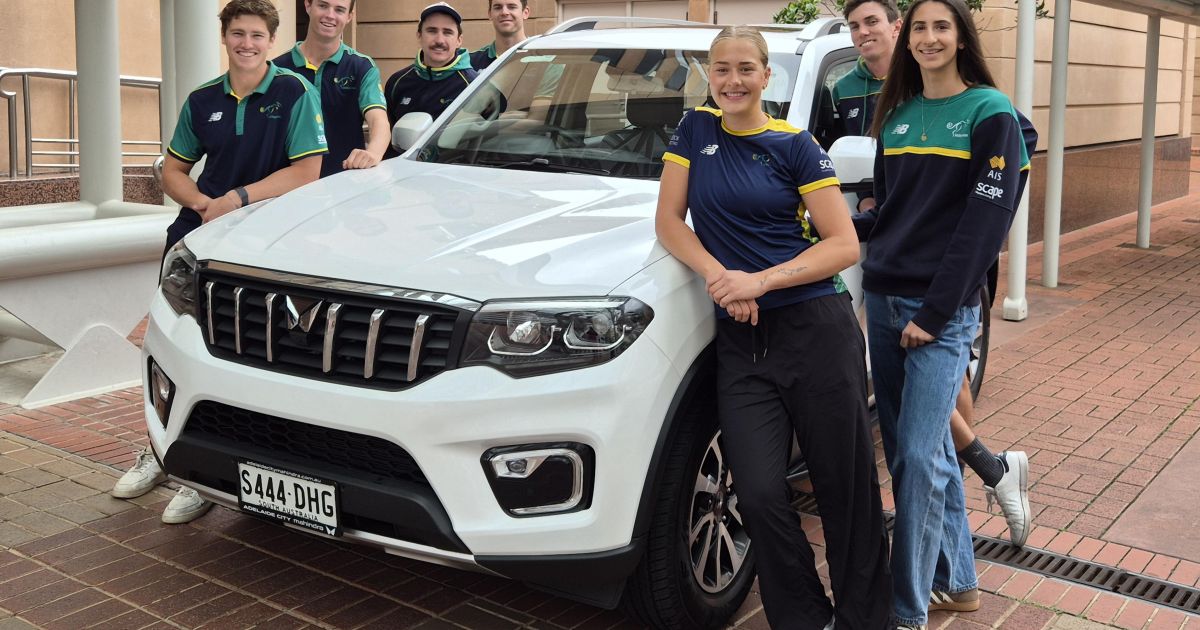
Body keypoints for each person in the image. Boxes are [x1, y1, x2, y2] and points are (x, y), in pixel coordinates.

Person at [657, 25, 891, 630]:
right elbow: (670, 223)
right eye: (722, 69)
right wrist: (723, 279)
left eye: (745, 69)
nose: (733, 80)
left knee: (844, 490)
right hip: (744, 343)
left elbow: (843, 246)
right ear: (710, 75)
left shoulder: (795, 145)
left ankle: (866, 619)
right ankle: (804, 617)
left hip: (816, 329)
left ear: (766, 76)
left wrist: (758, 282)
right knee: (758, 492)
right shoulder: (694, 130)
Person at [113, 0, 326, 525]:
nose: (246, 43)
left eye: (256, 35)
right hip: (198, 237)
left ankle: (209, 476)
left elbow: (307, 172)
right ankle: (160, 450)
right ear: (225, 37)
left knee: (240, 359)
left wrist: (237, 199)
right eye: (237, 33)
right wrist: (204, 205)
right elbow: (172, 170)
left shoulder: (295, 92)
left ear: (271, 41)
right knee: (169, 348)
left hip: (266, 242)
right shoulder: (203, 98)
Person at [853, 0, 1031, 626]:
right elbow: (890, 212)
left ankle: (906, 613)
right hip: (884, 297)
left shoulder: (990, 112)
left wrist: (933, 312)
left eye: (942, 27)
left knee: (916, 458)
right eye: (921, 28)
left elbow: (984, 227)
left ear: (960, 38)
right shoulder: (897, 115)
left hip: (941, 312)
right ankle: (957, 582)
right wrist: (825, 227)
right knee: (923, 456)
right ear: (909, 41)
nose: (929, 38)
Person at [274, 0, 389, 177]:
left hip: (344, 180)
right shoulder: (278, 69)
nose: (330, 15)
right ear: (308, 5)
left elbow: (378, 120)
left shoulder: (361, 67)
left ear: (349, 16)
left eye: (339, 10)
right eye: (323, 6)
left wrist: (373, 152)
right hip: (289, 184)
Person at [383, 2, 477, 158]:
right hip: (400, 170)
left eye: (447, 32)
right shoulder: (397, 82)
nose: (439, 40)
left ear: (459, 40)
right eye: (432, 31)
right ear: (419, 35)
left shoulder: (474, 86)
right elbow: (386, 137)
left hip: (455, 172)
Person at [470, 0, 529, 70]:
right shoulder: (471, 63)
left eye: (512, 7)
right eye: (498, 8)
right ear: (490, 14)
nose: (504, 12)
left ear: (525, 13)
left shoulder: (539, 56)